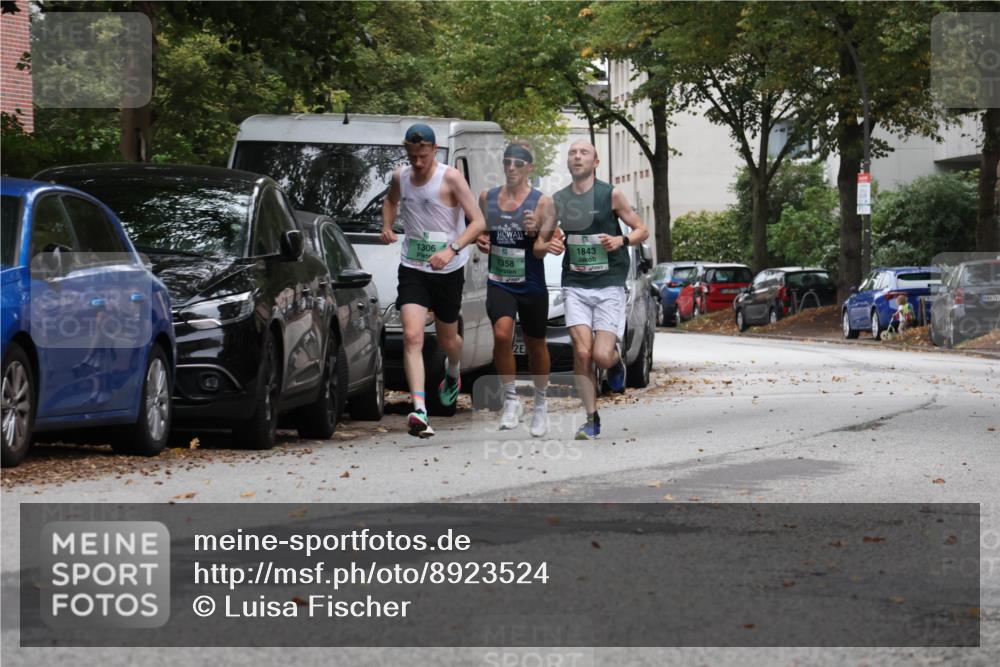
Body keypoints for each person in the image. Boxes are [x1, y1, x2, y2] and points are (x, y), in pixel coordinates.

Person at [535, 140, 648, 440]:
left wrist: (620, 241)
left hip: (609, 283)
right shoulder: (556, 200)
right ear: (568, 162)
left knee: (600, 355)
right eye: (572, 153)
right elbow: (538, 246)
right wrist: (550, 245)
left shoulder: (610, 194)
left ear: (595, 162)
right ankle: (590, 418)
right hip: (575, 285)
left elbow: (641, 229)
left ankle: (614, 361)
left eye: (583, 152)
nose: (577, 156)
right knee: (582, 353)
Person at [381, 123, 486, 437]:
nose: (417, 162)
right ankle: (419, 410)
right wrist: (387, 226)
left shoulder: (451, 177)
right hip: (413, 267)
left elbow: (478, 221)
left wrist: (452, 250)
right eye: (412, 156)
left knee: (447, 340)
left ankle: (453, 371)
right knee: (413, 336)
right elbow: (390, 201)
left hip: (448, 271)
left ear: (434, 150)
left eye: (422, 155)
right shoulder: (401, 176)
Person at [475, 143, 556, 437]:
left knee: (536, 345)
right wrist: (481, 241)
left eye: (518, 164)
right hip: (499, 280)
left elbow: (541, 250)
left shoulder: (542, 202)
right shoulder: (489, 197)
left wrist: (537, 232)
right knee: (501, 334)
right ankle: (511, 400)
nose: (511, 168)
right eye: (507, 162)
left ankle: (540, 404)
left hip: (531, 283)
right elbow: (482, 231)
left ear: (529, 168)